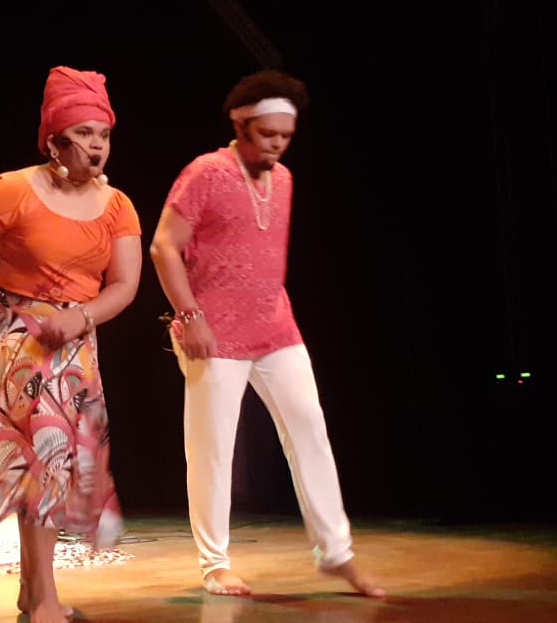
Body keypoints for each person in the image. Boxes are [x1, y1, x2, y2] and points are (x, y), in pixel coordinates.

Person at [0, 65, 142, 623]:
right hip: (14, 337)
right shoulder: (12, 190)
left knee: (48, 466)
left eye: (104, 134)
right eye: (83, 133)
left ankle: (33, 594)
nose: (96, 146)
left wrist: (80, 318)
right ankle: (42, 600)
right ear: (54, 139)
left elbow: (125, 285)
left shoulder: (118, 206)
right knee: (41, 460)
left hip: (74, 347)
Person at [148, 70, 385, 598]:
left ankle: (337, 553)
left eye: (286, 136)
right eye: (267, 134)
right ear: (240, 125)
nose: (277, 145)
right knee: (213, 448)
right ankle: (215, 564)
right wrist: (190, 316)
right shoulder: (207, 172)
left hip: (277, 327)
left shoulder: (286, 180)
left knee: (310, 429)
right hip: (213, 332)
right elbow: (164, 246)